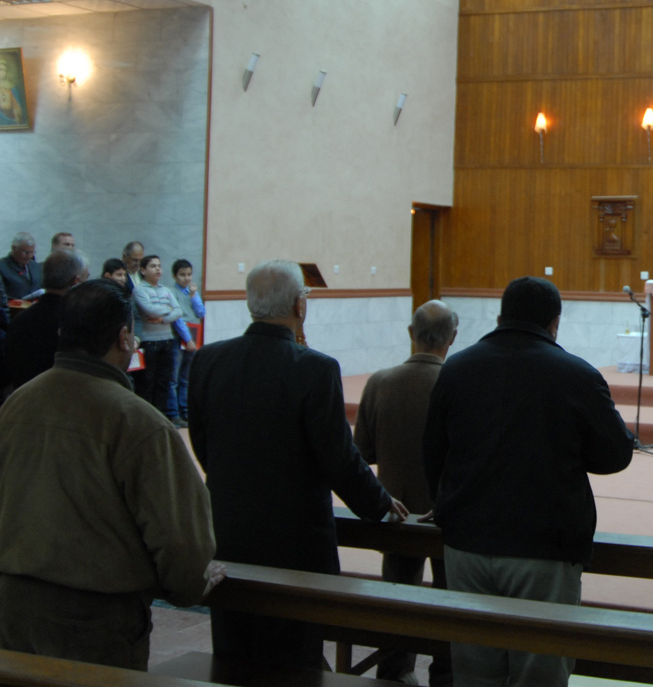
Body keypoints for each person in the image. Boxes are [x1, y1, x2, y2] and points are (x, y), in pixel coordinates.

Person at [189, 259, 407, 669]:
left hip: (228, 532)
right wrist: (379, 505)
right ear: (298, 305)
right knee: (295, 657)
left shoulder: (208, 359)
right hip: (295, 543)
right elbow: (338, 458)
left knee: (233, 651)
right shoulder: (314, 368)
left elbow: (203, 443)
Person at [423, 276, 634, 687]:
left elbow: (432, 452)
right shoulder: (576, 374)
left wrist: (448, 505)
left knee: (473, 674)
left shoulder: (457, 368)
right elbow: (616, 455)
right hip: (544, 547)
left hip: (466, 543)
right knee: (539, 674)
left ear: (500, 317)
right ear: (555, 323)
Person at [0, 279, 217, 670]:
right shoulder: (138, 422)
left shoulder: (16, 404)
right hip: (95, 622)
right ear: (124, 337)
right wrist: (192, 587)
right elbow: (182, 542)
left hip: (12, 605)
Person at [355, 299, 458, 686]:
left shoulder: (380, 382)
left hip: (395, 514)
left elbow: (363, 452)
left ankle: (394, 672)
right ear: (453, 337)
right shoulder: (457, 384)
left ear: (411, 333)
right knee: (449, 602)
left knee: (397, 602)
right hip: (447, 516)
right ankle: (445, 676)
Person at [4, 249, 90, 392]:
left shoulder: (18, 321)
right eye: (86, 278)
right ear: (76, 282)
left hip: (23, 399)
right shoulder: (80, 322)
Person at [131, 254, 185, 424]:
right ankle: (145, 420)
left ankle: (160, 418)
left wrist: (162, 319)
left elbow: (179, 311)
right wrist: (167, 309)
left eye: (159, 266)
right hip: (149, 342)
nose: (158, 269)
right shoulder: (139, 290)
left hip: (167, 341)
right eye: (153, 266)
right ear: (143, 270)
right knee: (147, 382)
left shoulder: (166, 290)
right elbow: (150, 310)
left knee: (164, 382)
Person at [169, 259, 205, 424]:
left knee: (186, 377)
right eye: (182, 275)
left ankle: (185, 410)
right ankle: (173, 412)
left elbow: (200, 313)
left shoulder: (191, 292)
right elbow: (178, 319)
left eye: (189, 274)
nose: (187, 278)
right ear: (174, 276)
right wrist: (187, 339)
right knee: (174, 377)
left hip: (193, 334)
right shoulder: (172, 292)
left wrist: (194, 296)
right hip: (180, 337)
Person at [0, 233, 40, 300]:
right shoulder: (2, 267)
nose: (29, 256)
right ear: (14, 248)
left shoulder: (36, 266)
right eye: (26, 252)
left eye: (32, 252)